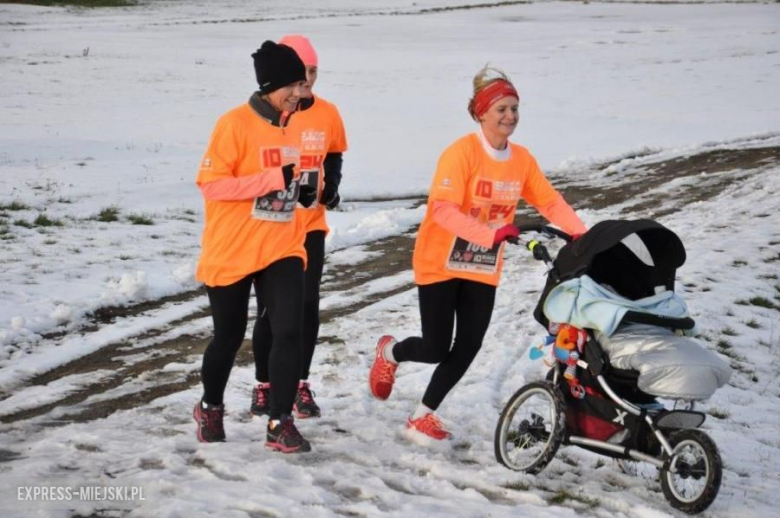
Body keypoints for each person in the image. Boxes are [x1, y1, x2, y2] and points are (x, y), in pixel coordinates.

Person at [368, 66, 587, 441]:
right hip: (440, 260)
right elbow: (442, 210)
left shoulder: (521, 160)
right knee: (436, 347)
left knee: (469, 344)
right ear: (481, 113)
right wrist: (490, 232)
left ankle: (422, 415)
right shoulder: (461, 153)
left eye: (515, 108)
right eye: (502, 108)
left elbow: (549, 200)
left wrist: (581, 235)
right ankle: (389, 353)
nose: (510, 116)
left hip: (482, 265)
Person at [193, 40, 316, 453]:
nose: (301, 93)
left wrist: (301, 191)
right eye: (293, 86)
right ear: (269, 86)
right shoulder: (233, 124)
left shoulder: (294, 125)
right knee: (228, 336)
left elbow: (287, 178)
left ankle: (279, 422)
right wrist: (271, 180)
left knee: (288, 329)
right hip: (232, 248)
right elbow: (211, 185)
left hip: (281, 244)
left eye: (302, 84)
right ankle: (210, 406)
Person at [251, 35, 348, 420]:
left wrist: (333, 186)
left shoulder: (328, 112)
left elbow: (335, 151)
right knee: (270, 312)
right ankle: (265, 385)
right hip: (270, 227)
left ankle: (300, 384)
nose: (307, 79)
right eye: (301, 71)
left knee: (307, 307)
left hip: (309, 226)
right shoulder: (272, 112)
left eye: (313, 71)